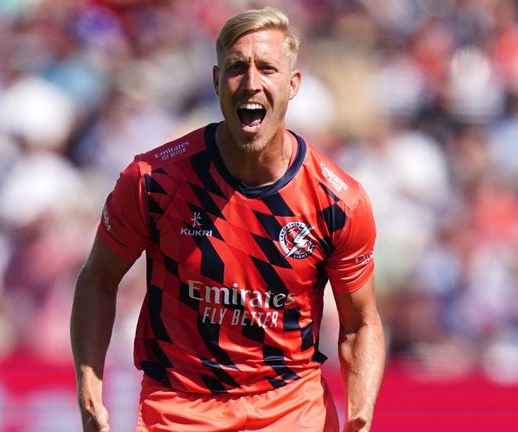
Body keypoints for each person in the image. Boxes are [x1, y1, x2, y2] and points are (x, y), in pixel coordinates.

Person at [71, 6, 385, 432]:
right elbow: (97, 280)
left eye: (267, 69)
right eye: (238, 68)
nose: (251, 82)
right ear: (217, 81)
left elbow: (360, 323)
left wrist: (360, 417)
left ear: (293, 85)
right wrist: (90, 392)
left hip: (290, 409)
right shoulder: (154, 181)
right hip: (180, 407)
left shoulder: (337, 201)